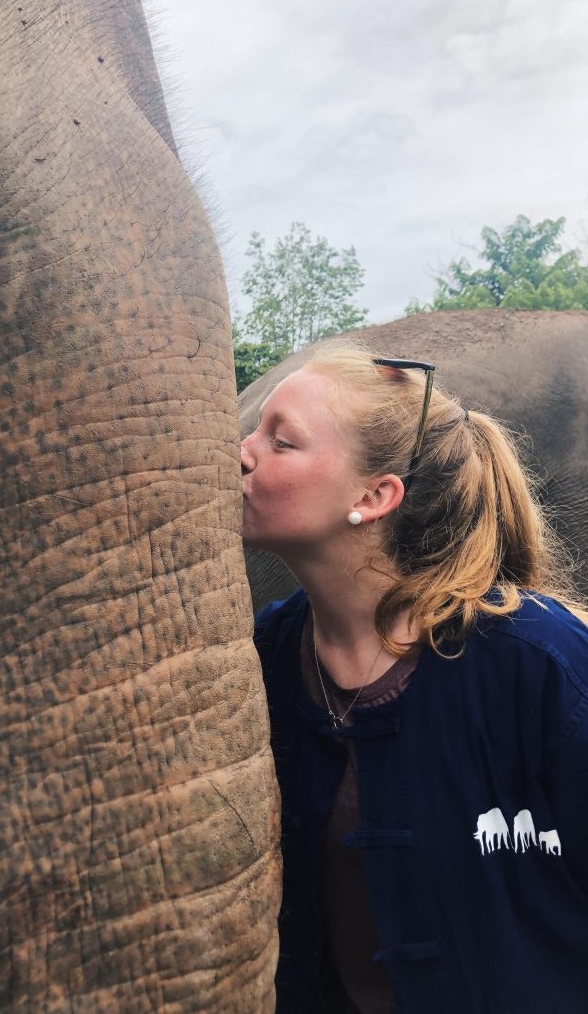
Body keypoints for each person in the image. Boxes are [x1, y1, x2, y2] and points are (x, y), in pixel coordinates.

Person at [240, 342, 588, 1014]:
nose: (243, 452)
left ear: (374, 496)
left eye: (281, 442)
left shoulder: (541, 665)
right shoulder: (266, 657)